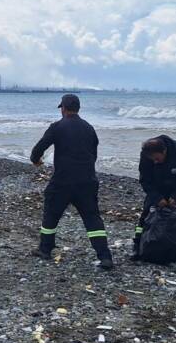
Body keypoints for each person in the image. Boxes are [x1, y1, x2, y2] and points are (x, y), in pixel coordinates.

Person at [29, 94, 114, 271]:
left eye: (61, 108)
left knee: (51, 214)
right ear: (78, 108)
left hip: (62, 181)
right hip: (87, 181)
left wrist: (36, 160)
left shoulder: (57, 127)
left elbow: (39, 148)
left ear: (64, 108)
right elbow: (94, 154)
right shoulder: (89, 128)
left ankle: (45, 249)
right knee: (92, 218)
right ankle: (105, 256)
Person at [133, 135, 176, 261]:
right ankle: (138, 246)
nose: (154, 162)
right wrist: (157, 198)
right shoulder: (146, 155)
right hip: (158, 187)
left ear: (164, 151)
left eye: (157, 158)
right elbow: (145, 180)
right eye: (152, 159)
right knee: (146, 214)